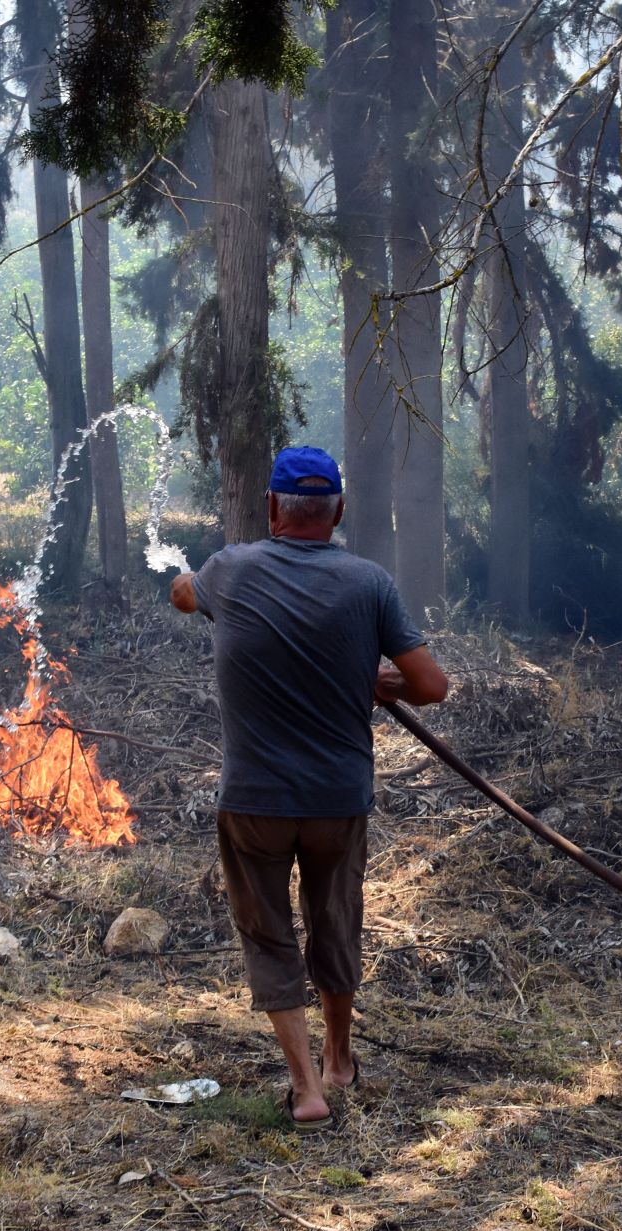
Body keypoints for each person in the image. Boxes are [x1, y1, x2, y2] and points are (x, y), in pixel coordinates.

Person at [170, 446, 449, 1129]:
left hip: (255, 802)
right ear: (340, 513)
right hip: (337, 800)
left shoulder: (229, 569)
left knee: (269, 935)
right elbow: (431, 687)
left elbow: (184, 594)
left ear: (272, 508)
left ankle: (305, 1088)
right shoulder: (369, 583)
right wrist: (371, 677)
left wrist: (184, 577)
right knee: (335, 922)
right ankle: (341, 1056)